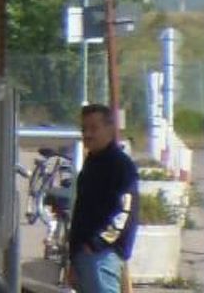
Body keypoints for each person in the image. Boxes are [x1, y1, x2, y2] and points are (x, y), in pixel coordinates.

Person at [65, 103, 138, 293]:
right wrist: (74, 256)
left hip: (102, 256)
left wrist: (97, 244)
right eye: (84, 129)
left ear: (110, 129)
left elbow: (123, 211)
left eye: (94, 128)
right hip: (84, 254)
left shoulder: (120, 165)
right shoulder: (92, 163)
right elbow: (81, 211)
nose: (87, 134)